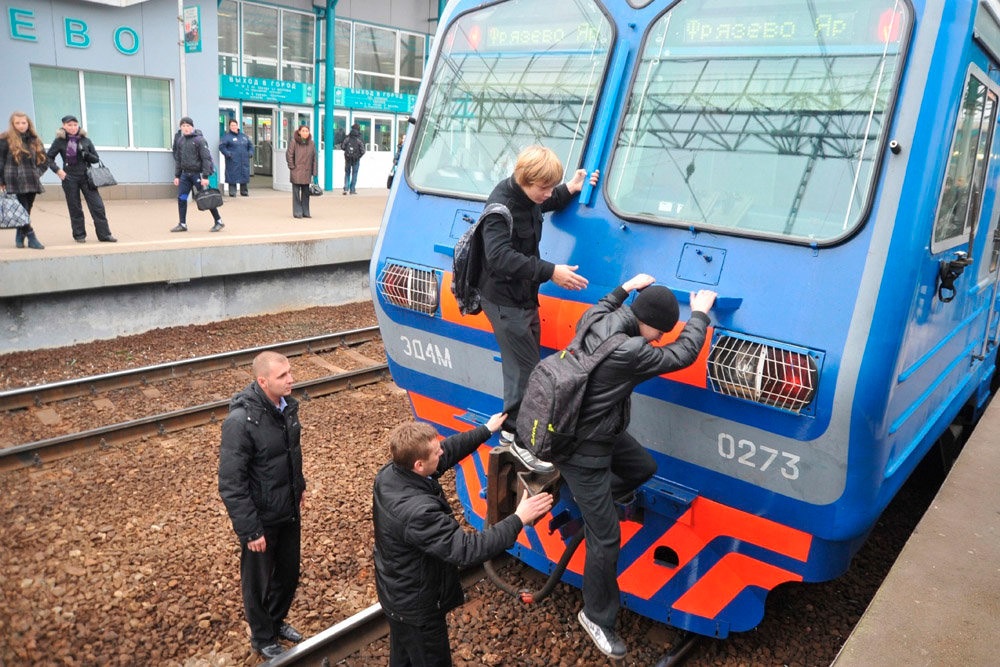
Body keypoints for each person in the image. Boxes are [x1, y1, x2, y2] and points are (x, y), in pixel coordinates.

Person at [555, 273, 717, 660]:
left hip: (594, 427)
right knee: (606, 538)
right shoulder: (630, 352)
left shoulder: (596, 318)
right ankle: (595, 617)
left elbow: (605, 302)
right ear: (646, 323)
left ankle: (591, 503)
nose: (658, 339)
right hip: (583, 449)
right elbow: (683, 354)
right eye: (659, 332)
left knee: (642, 467)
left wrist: (627, 286)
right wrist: (699, 314)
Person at [373, 413, 553, 666]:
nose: (441, 452)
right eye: (435, 452)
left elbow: (447, 451)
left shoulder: (391, 474)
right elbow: (468, 550)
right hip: (418, 607)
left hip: (396, 591)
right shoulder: (418, 513)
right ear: (419, 465)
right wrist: (519, 518)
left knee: (403, 658)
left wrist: (486, 430)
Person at [478, 145, 599, 472]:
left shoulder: (529, 197)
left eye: (550, 187)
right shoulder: (500, 208)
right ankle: (522, 443)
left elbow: (544, 202)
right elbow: (498, 257)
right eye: (543, 188)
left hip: (522, 299)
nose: (547, 194)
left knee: (519, 369)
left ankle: (508, 429)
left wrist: (570, 189)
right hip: (505, 303)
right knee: (531, 375)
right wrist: (551, 272)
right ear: (524, 179)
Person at [219, 351, 307, 660]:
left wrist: (299, 488)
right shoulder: (240, 422)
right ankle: (262, 636)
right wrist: (250, 530)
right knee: (258, 582)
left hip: (288, 508)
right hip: (261, 518)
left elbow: (289, 454)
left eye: (290, 372)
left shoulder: (286, 408)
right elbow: (231, 483)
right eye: (283, 375)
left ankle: (276, 620)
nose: (291, 379)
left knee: (288, 573)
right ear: (263, 381)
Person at [46, 114, 117, 243]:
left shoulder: (85, 140)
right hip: (69, 178)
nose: (73, 127)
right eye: (69, 125)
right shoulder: (59, 141)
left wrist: (85, 153)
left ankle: (105, 235)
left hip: (86, 177)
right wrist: (58, 171)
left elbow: (96, 159)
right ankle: (79, 235)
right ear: (64, 126)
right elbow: (48, 158)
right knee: (75, 208)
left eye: (75, 125)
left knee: (98, 206)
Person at [0, 111, 47, 249]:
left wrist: (37, 173)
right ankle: (32, 237)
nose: (21, 125)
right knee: (23, 210)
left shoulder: (34, 139)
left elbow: (45, 161)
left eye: (23, 123)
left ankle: (19, 237)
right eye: (18, 123)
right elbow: (0, 161)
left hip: (31, 180)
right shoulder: (5, 139)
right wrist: (1, 180)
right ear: (13, 124)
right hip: (13, 181)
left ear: (28, 123)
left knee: (26, 211)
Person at [170, 116, 223, 233]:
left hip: (197, 175)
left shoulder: (199, 140)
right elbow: (178, 160)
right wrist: (177, 176)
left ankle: (218, 221)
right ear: (181, 127)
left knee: (206, 197)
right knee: (182, 198)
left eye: (188, 126)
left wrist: (205, 176)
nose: (186, 128)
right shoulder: (180, 141)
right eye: (183, 126)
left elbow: (206, 159)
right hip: (185, 176)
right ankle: (182, 224)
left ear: (192, 127)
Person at [285, 125, 316, 218]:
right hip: (297, 172)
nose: (305, 133)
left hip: (307, 172)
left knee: (306, 193)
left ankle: (306, 212)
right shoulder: (294, 142)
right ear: (299, 132)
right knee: (296, 193)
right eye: (303, 131)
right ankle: (297, 212)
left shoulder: (311, 143)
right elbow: (289, 155)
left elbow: (314, 158)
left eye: (307, 131)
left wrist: (314, 172)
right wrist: (292, 167)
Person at [219, 119, 254, 197]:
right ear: (229, 126)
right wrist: (228, 154)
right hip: (232, 160)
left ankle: (244, 192)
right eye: (232, 125)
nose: (233, 127)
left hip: (244, 160)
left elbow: (250, 146)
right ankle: (232, 192)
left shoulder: (243, 136)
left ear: (237, 126)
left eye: (235, 125)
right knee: (232, 175)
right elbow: (222, 147)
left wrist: (250, 152)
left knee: (244, 174)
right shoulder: (226, 137)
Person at [341, 122, 365, 195]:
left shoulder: (348, 138)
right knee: (354, 174)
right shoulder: (359, 139)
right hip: (356, 159)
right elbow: (363, 151)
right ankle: (352, 190)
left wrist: (347, 152)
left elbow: (342, 147)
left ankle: (346, 188)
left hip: (348, 158)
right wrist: (358, 156)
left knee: (347, 173)